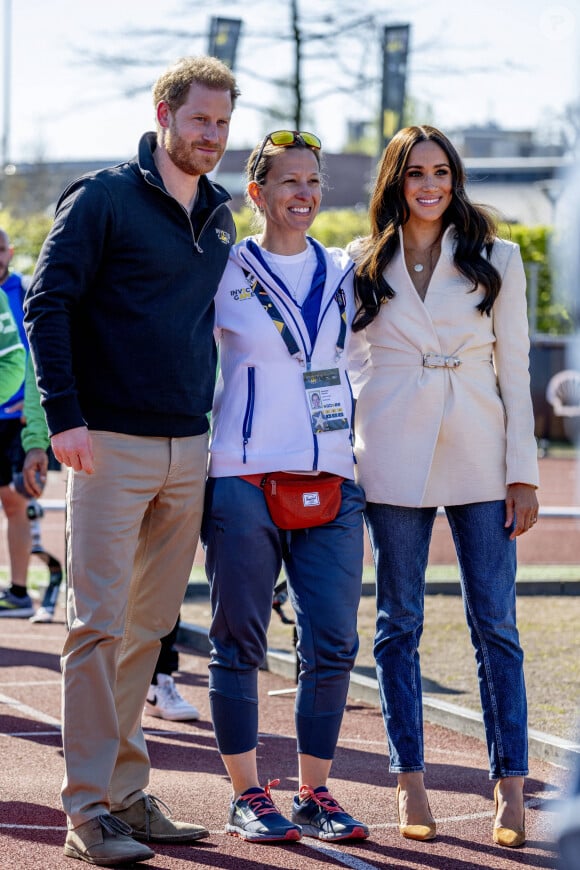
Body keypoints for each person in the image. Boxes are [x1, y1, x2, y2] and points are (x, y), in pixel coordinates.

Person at [24, 55, 239, 867]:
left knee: (148, 632)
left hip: (190, 445)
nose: (211, 137)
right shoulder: (103, 197)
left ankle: (126, 794)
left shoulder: (219, 214)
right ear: (165, 112)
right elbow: (49, 304)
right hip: (107, 443)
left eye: (221, 123)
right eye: (199, 121)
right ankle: (85, 814)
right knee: (96, 627)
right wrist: (66, 419)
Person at [348, 125, 539, 849]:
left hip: (482, 457)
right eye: (415, 173)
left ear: (455, 180)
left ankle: (511, 789)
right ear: (395, 181)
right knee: (398, 624)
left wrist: (522, 472)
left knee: (497, 625)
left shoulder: (500, 259)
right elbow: (347, 364)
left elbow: (514, 372)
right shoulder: (361, 263)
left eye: (442, 172)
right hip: (391, 456)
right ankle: (411, 782)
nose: (430, 185)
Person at [201, 130, 369, 845]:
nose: (303, 193)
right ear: (258, 194)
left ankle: (314, 792)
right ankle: (246, 794)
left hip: (332, 477)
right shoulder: (225, 267)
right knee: (240, 639)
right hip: (243, 476)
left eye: (313, 182)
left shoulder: (346, 271)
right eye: (288, 182)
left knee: (332, 642)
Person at [0, 229, 34, 618]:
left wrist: (34, 401)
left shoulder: (24, 288)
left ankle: (21, 590)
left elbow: (36, 345)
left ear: (10, 251)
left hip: (18, 414)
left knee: (16, 501)